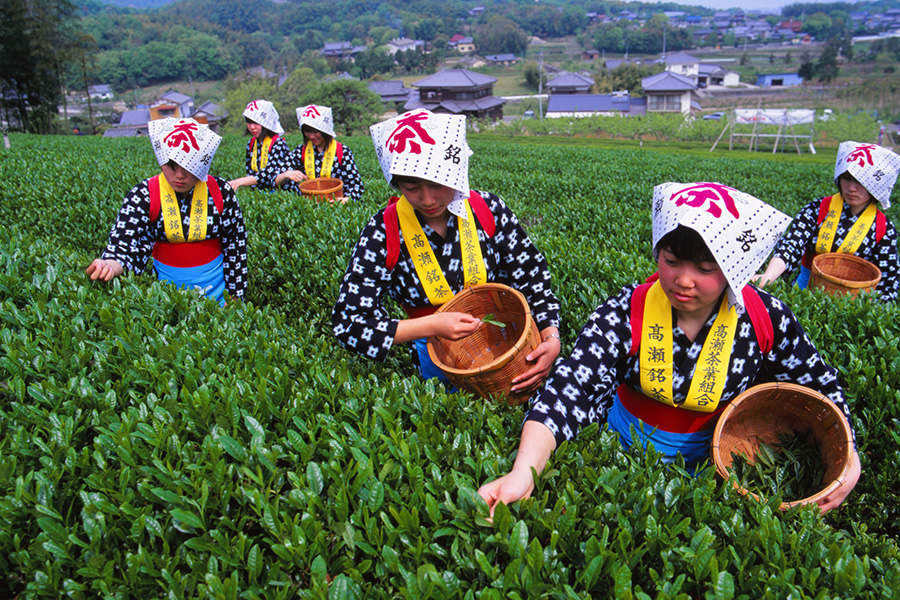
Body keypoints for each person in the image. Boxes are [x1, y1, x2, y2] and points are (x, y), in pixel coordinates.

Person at [478, 182, 861, 514]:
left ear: (733, 267)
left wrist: (850, 455)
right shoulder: (625, 312)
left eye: (705, 269)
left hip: (720, 461)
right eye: (671, 261)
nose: (683, 280)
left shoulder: (767, 317)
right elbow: (570, 390)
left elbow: (818, 382)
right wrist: (522, 472)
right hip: (624, 449)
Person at [331, 109, 560, 394]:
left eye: (438, 185)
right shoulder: (384, 230)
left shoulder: (487, 210)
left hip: (507, 344)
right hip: (435, 354)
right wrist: (432, 325)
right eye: (411, 187)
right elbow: (349, 322)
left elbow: (532, 278)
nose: (428, 200)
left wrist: (551, 336)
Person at [86, 117, 248, 306]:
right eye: (171, 166)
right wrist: (109, 265)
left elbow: (236, 247)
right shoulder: (143, 195)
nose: (179, 175)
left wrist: (235, 298)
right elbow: (125, 247)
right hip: (166, 299)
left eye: (188, 166)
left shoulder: (220, 191)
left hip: (219, 296)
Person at [756, 141, 899, 302]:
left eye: (860, 182)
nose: (851, 188)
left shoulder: (883, 227)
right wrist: (768, 276)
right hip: (805, 292)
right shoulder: (818, 209)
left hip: (852, 301)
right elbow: (792, 244)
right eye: (846, 178)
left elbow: (888, 277)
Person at [267, 104, 365, 202]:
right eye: (307, 132)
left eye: (315, 132)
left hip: (335, 203)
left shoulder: (342, 152)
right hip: (308, 204)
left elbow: (356, 185)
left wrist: (345, 200)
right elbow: (274, 180)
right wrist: (286, 174)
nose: (311, 136)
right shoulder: (300, 151)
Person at [228, 99, 291, 190]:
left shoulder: (278, 144)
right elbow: (250, 171)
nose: (252, 127)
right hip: (259, 193)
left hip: (279, 192)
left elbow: (269, 174)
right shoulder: (251, 143)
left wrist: (239, 182)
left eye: (256, 123)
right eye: (249, 122)